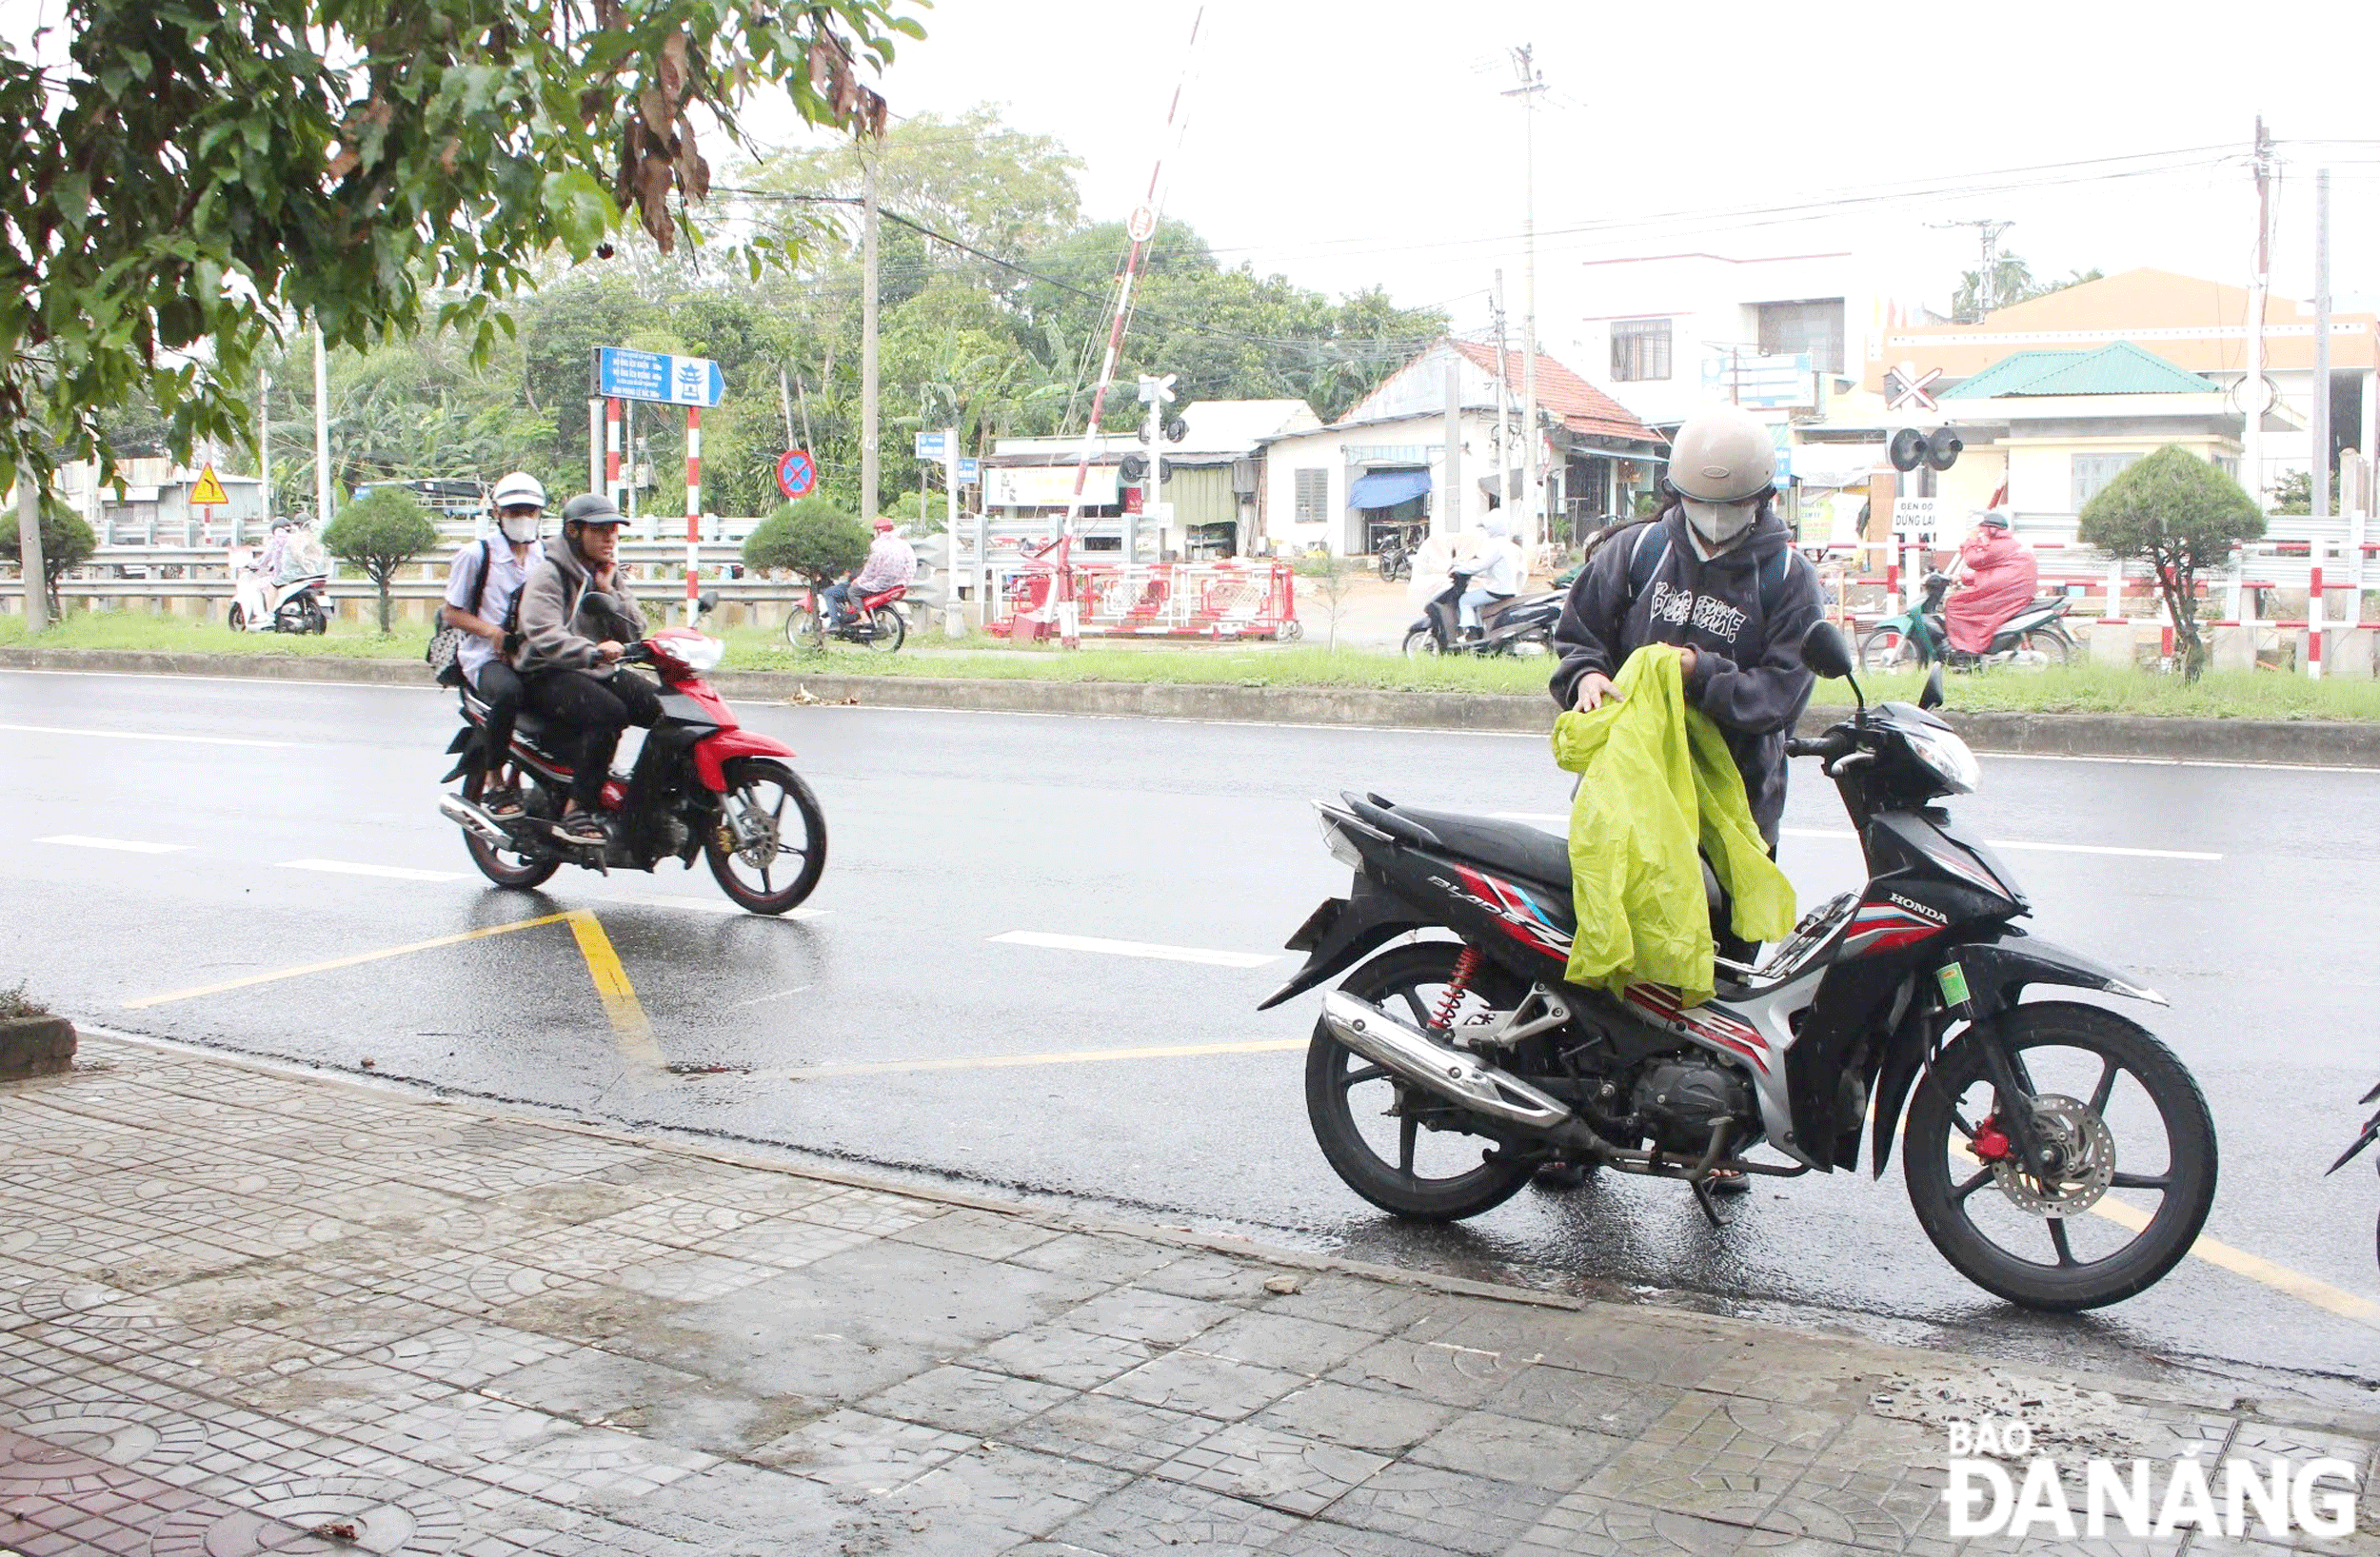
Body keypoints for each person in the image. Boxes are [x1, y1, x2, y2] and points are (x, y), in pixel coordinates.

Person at [1551, 403, 1825, 850]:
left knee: (1731, 920)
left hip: (1736, 805)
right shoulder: (1637, 550)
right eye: (1700, 502)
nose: (1715, 515)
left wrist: (1701, 674)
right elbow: (1579, 634)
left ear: (1762, 498)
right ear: (1677, 493)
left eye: (1733, 503)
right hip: (1630, 796)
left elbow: (1780, 697)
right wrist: (1586, 675)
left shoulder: (1787, 577)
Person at [515, 493, 658, 846]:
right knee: (609, 713)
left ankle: (646, 800)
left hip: (595, 669)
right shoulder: (549, 575)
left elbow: (635, 630)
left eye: (613, 530)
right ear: (574, 531)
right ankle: (577, 809)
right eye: (600, 530)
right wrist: (592, 652)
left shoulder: (605, 571)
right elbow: (544, 634)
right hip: (546, 673)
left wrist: (611, 590)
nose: (610, 537)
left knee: (665, 707)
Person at [440, 472, 548, 820]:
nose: (523, 518)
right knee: (509, 695)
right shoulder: (477, 555)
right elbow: (452, 612)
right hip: (485, 657)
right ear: (499, 514)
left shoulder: (543, 555)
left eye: (530, 511)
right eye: (515, 511)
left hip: (533, 654)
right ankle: (494, 778)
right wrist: (492, 633)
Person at [1943, 510, 2038, 659]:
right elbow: (1994, 573)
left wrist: (1970, 540)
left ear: (1992, 529)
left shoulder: (1998, 546)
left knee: (1955, 604)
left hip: (2008, 593)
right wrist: (1962, 579)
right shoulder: (2007, 544)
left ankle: (1967, 648)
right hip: (2014, 591)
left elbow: (1973, 561)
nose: (1982, 535)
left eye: (1983, 531)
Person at [824, 518, 917, 626]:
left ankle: (863, 618)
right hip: (896, 585)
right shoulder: (904, 545)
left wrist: (860, 580)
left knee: (852, 591)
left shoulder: (877, 545)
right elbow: (911, 565)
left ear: (879, 531)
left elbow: (871, 569)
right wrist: (904, 581)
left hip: (880, 584)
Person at [1457, 515, 1524, 637]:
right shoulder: (1507, 545)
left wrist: (1459, 568)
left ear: (1494, 528)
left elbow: (1480, 565)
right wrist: (1476, 574)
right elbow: (1492, 569)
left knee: (1464, 600)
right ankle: (1479, 632)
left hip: (1497, 591)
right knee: (1475, 601)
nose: (1485, 532)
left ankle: (1469, 633)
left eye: (1487, 528)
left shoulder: (1495, 545)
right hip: (1509, 590)